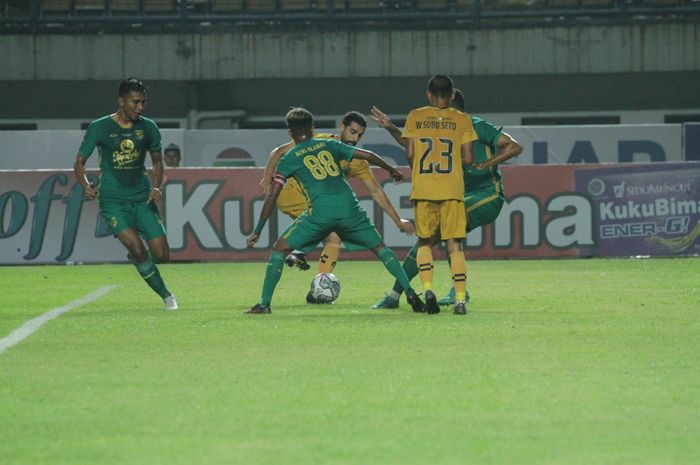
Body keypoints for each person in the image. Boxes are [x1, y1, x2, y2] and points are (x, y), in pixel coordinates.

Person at [245, 107, 425, 314]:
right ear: (313, 128)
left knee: (279, 250)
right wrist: (392, 170)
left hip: (319, 212)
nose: (356, 137)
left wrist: (257, 230)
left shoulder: (292, 157)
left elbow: (272, 196)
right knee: (380, 248)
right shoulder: (330, 143)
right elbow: (369, 155)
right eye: (353, 132)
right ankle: (410, 293)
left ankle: (265, 304)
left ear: (290, 134)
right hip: (349, 209)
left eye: (360, 134)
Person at [371, 88, 523, 310]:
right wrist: (392, 128)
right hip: (459, 195)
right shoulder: (446, 127)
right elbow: (415, 145)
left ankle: (397, 295)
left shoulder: (475, 125)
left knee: (433, 235)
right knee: (444, 236)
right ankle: (454, 292)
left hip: (487, 195)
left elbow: (514, 145)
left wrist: (486, 164)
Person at [73, 78, 178, 310]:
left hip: (142, 199)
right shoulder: (99, 127)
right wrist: (85, 184)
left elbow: (158, 162)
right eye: (135, 102)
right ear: (121, 101)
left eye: (143, 102)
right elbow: (79, 162)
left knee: (162, 255)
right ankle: (167, 297)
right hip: (113, 202)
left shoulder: (148, 127)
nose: (140, 107)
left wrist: (157, 185)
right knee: (138, 249)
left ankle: (141, 262)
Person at [381, 75, 478, 315]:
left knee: (424, 242)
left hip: (424, 189)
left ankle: (427, 289)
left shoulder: (415, 115)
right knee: (454, 244)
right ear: (453, 95)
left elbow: (410, 154)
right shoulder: (462, 119)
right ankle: (459, 300)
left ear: (428, 94)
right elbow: (468, 159)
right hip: (452, 190)